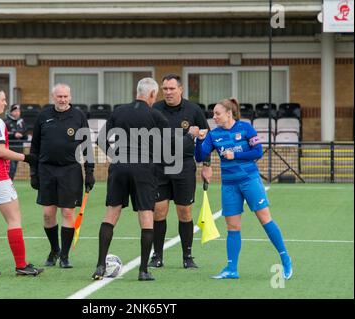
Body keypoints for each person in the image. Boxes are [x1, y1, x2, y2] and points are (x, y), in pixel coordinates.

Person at [190, 98, 292, 280]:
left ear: (229, 113)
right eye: (213, 114)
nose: (214, 117)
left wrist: (234, 154)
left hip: (250, 181)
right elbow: (200, 157)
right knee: (233, 227)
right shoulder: (214, 135)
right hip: (229, 185)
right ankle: (231, 269)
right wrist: (200, 139)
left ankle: (286, 260)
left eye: (217, 113)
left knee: (265, 219)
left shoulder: (246, 128)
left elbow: (258, 152)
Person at [91, 77, 169, 281]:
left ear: (137, 92)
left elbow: (100, 139)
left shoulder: (119, 111)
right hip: (144, 169)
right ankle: (143, 270)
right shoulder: (156, 115)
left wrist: (115, 156)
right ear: (151, 94)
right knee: (146, 216)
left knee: (111, 214)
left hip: (120, 166)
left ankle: (100, 266)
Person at [0, 85, 43, 276]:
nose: (5, 103)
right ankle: (21, 265)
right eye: (2, 99)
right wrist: (27, 158)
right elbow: (0, 151)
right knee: (14, 220)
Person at [149, 74, 212, 269]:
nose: (168, 92)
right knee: (159, 212)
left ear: (180, 89)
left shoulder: (193, 110)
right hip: (159, 167)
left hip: (184, 166)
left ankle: (187, 257)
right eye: (165, 89)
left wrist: (207, 164)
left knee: (184, 212)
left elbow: (205, 136)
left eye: (171, 89)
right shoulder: (155, 109)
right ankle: (157, 256)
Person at [29, 83, 95, 269]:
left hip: (70, 171)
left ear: (70, 97)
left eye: (66, 96)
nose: (63, 99)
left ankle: (65, 256)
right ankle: (54, 249)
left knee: (67, 212)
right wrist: (33, 173)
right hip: (46, 170)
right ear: (53, 97)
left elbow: (87, 147)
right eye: (59, 96)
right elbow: (35, 147)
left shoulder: (79, 116)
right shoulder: (43, 116)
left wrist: (89, 172)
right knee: (48, 214)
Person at [4, 104, 28, 180]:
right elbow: (4, 134)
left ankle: (10, 183)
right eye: (15, 111)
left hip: (18, 149)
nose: (17, 113)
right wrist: (14, 134)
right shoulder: (6, 122)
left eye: (18, 111)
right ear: (11, 112)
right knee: (11, 167)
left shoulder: (22, 122)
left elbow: (26, 135)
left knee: (14, 169)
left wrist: (22, 136)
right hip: (9, 149)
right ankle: (7, 183)